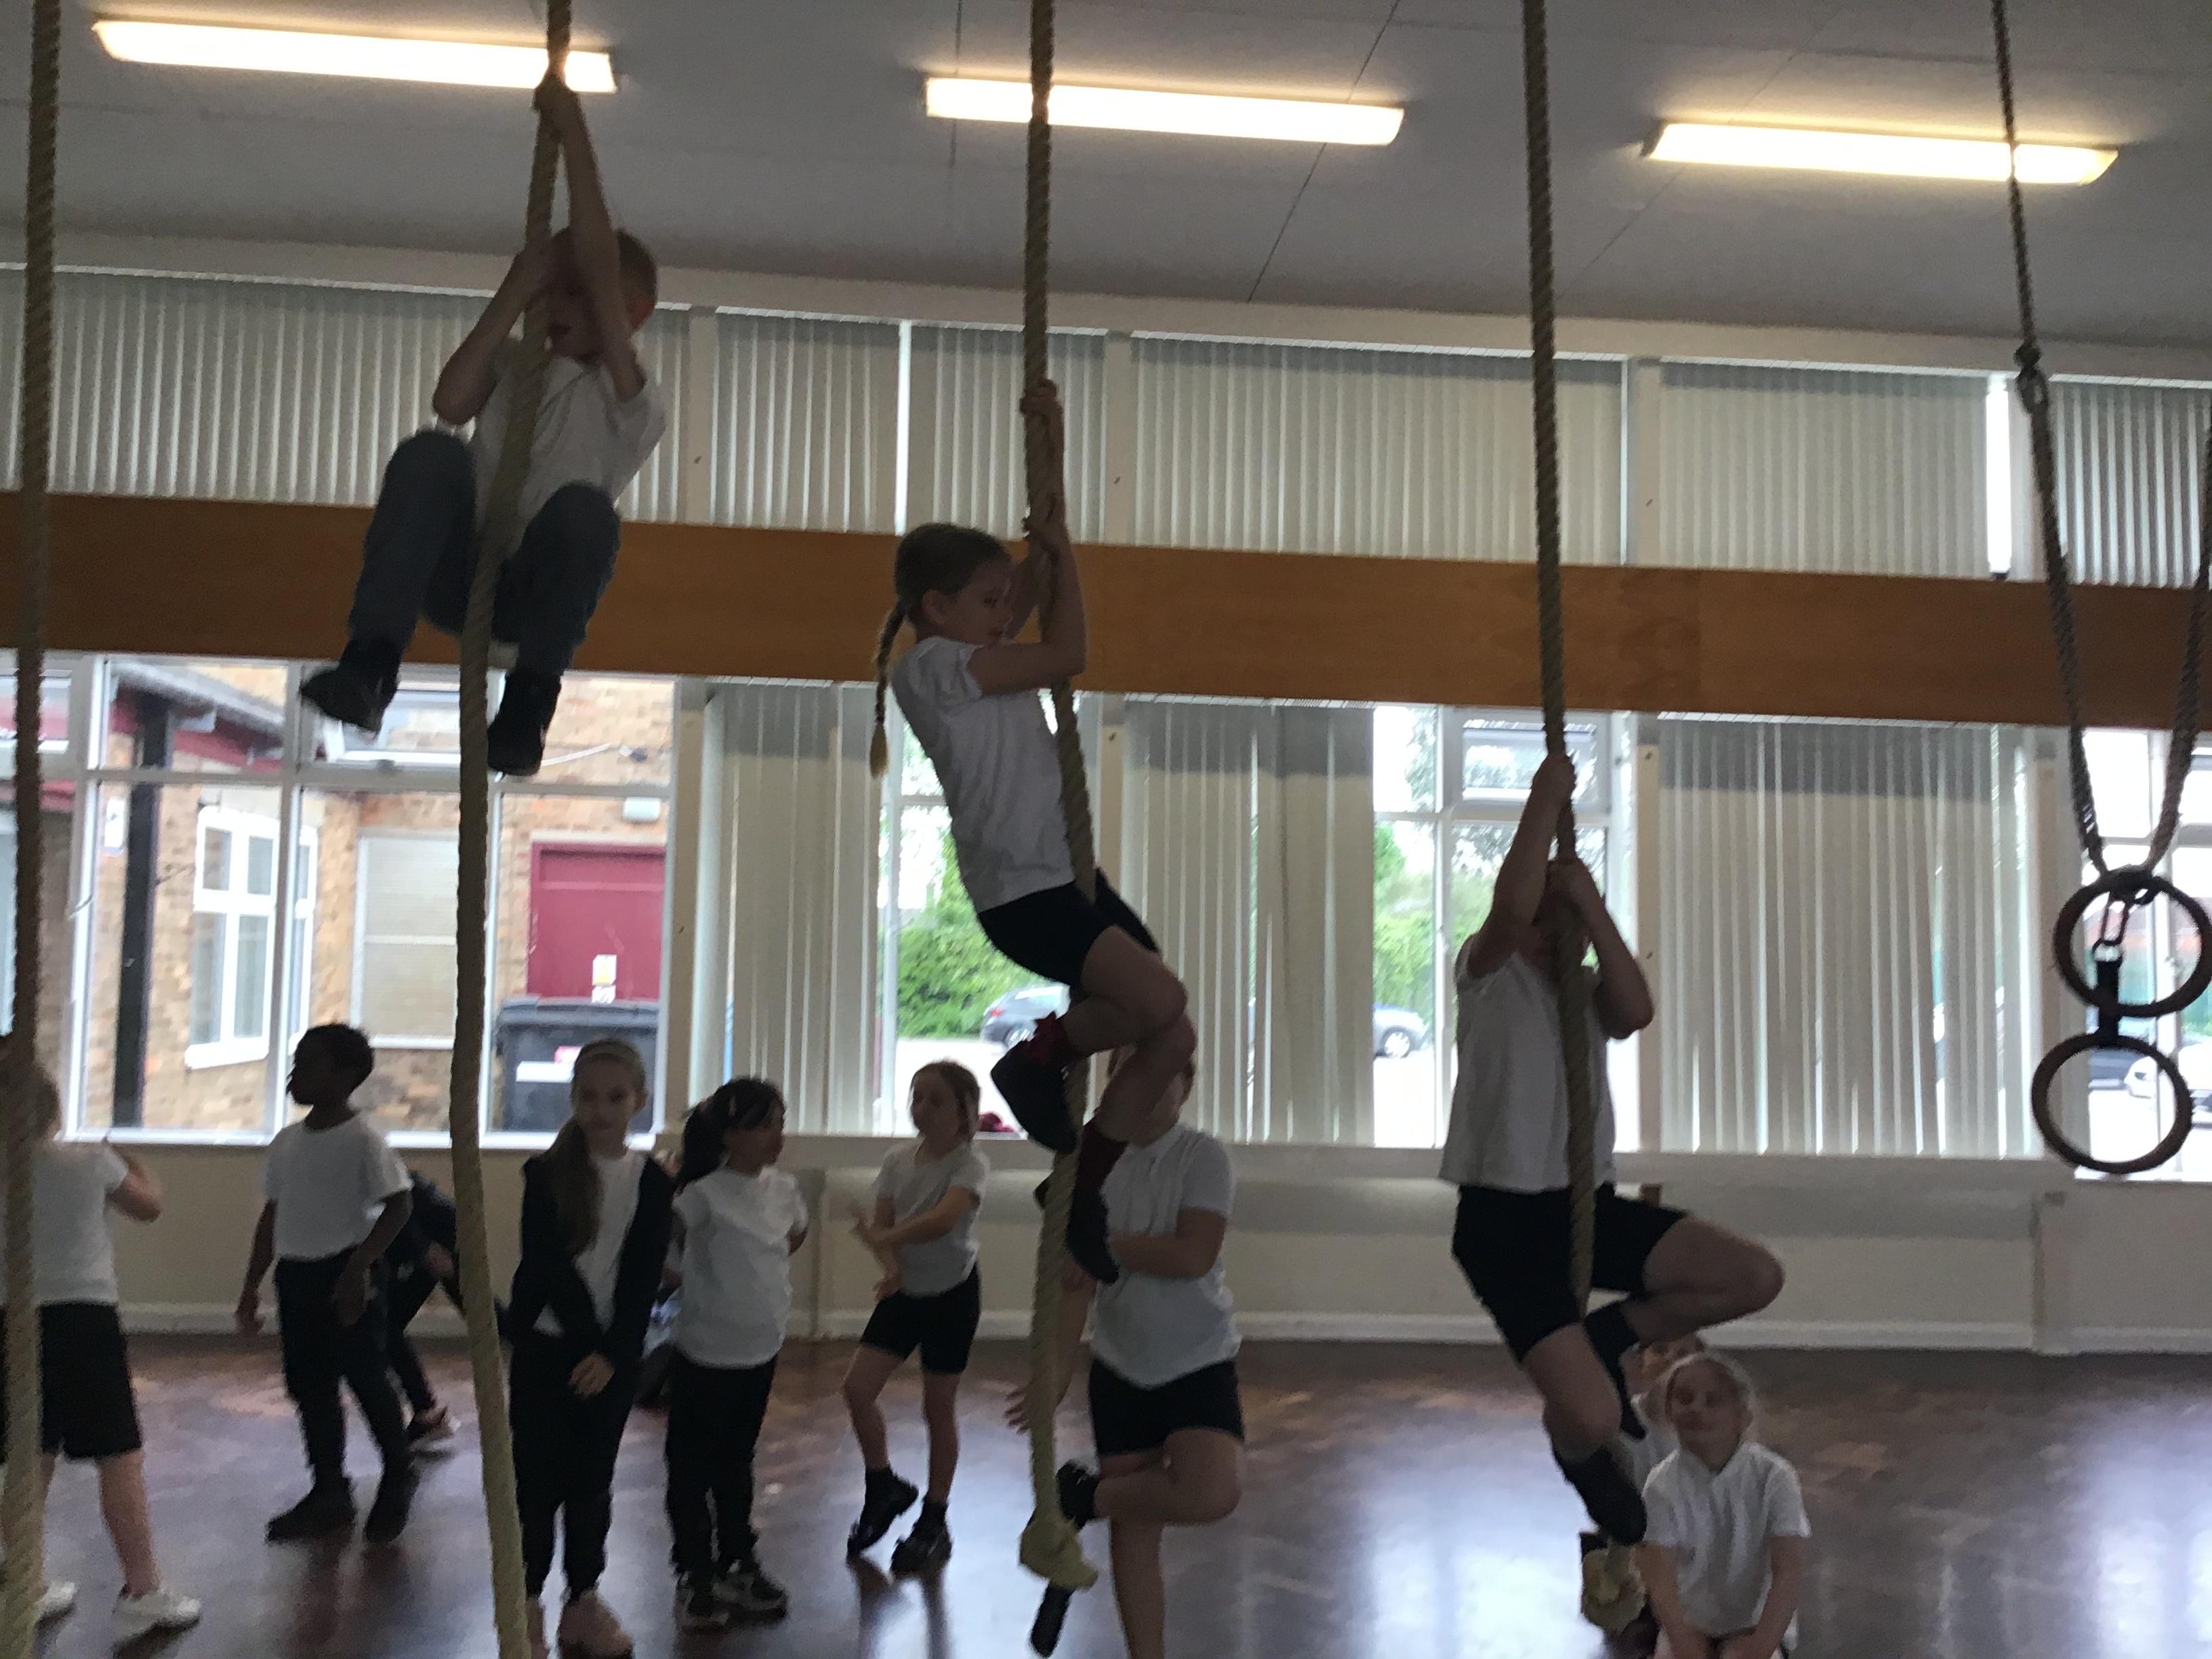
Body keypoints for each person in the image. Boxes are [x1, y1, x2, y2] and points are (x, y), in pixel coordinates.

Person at [869, 383, 1189, 1283]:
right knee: (1160, 999)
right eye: (987, 600)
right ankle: (1034, 1062)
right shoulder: (934, 670)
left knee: (1171, 1032)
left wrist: (1052, 448)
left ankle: (1079, 1186)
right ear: (937, 609)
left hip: (1063, 874)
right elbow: (1067, 652)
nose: (1003, 613)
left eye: (1003, 601)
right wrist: (1064, 560)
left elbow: (1032, 599)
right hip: (1024, 890)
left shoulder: (972, 654)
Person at [1442, 753, 1784, 1547]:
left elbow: (1638, 1010)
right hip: (1501, 1224)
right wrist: (1545, 796)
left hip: (1584, 1208)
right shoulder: (1485, 970)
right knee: (1593, 1418)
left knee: (1753, 1275)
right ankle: (1589, 1473)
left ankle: (1605, 1337)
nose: (1549, 927)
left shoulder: (1587, 994)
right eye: (1546, 915)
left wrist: (1591, 903)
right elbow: (1509, 908)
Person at [301, 77, 667, 778]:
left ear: (632, 315)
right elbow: (450, 401)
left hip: (533, 595)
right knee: (433, 452)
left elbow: (597, 261)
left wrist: (572, 127)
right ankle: (371, 664)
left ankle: (528, 707)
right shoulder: (513, 363)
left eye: (579, 295)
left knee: (586, 515)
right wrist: (519, 285)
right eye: (555, 294)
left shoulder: (631, 399)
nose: (562, 306)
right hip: (458, 574)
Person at [1013, 1055, 1242, 1659]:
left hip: (1197, 1358)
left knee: (1212, 1491)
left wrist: (1100, 1245)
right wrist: (1053, 1378)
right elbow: (1073, 1287)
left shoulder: (1203, 1157)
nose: (1144, 1085)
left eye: (1160, 1071)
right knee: (1135, 1533)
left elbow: (1192, 1254)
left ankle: (1081, 1498)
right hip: (1120, 1366)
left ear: (1186, 1084)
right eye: (1126, 1073)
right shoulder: (1088, 1170)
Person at [0, 1046, 199, 1638]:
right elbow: (150, 1206)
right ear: (50, 1107)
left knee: (27, 1456)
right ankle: (143, 1589)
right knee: (118, 1455)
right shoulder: (88, 1161)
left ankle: (28, 1583)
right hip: (81, 1321)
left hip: (10, 1319)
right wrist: (132, 1162)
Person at [506, 1038, 673, 1659]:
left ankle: (582, 1599)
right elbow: (548, 1266)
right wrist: (588, 1349)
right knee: (536, 1481)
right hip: (551, 1351)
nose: (600, 1110)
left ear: (639, 1101)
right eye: (587, 1097)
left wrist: (614, 1355)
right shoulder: (545, 1175)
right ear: (573, 1099)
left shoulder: (650, 1182)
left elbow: (641, 1277)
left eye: (614, 1097)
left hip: (612, 1359)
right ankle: (525, 1601)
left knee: (591, 1482)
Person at [237, 1024, 417, 1545]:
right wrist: (252, 1285)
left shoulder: (364, 1141)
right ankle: (330, 1491)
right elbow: (272, 1216)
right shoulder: (288, 1143)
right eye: (295, 1063)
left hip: (345, 1276)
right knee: (311, 1388)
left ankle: (399, 1470)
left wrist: (360, 1264)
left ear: (345, 1076)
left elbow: (399, 1205)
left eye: (308, 1065)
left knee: (366, 1378)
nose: (294, 1075)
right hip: (297, 1275)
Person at [663, 1080, 808, 1631]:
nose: (778, 1135)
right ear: (730, 1134)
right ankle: (694, 1572)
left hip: (759, 1352)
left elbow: (792, 1238)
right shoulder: (703, 1194)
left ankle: (737, 1560)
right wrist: (697, 1284)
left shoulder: (784, 1189)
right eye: (765, 1124)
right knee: (691, 1467)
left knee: (736, 1459)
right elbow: (662, 1246)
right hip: (705, 1354)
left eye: (780, 1122)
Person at [841, 1061, 989, 1572]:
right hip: (906, 1293)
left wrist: (887, 1238)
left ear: (965, 1113)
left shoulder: (970, 1165)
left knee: (937, 1407)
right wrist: (890, 1266)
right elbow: (884, 1225)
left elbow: (942, 1220)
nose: (921, 1108)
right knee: (857, 1390)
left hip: (953, 1296)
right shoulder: (896, 1160)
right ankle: (883, 1485)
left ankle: (935, 1517)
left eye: (936, 1100)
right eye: (916, 1097)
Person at [1638, 1352, 1809, 1659]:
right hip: (1690, 1622)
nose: (1696, 1408)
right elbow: (1660, 1577)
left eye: (1713, 1401)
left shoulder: (1774, 1477)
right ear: (1669, 1411)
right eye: (1684, 1398)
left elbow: (1789, 1570)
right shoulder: (1661, 1484)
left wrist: (1761, 1645)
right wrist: (1682, 1639)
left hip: (1756, 1625)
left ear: (1742, 1416)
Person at [1580, 1334, 1703, 1639]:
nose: (1671, 1360)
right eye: (1660, 1350)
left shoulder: (1705, 1430)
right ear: (1640, 1363)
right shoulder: (1619, 1425)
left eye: (1683, 1354)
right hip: (1636, 1539)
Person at [383, 1168, 470, 1446]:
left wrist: (424, 1249)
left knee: (385, 1327)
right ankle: (425, 1411)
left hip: (427, 1230)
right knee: (386, 1328)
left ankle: (425, 1411)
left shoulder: (358, 1156)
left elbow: (396, 1196)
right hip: (428, 1229)